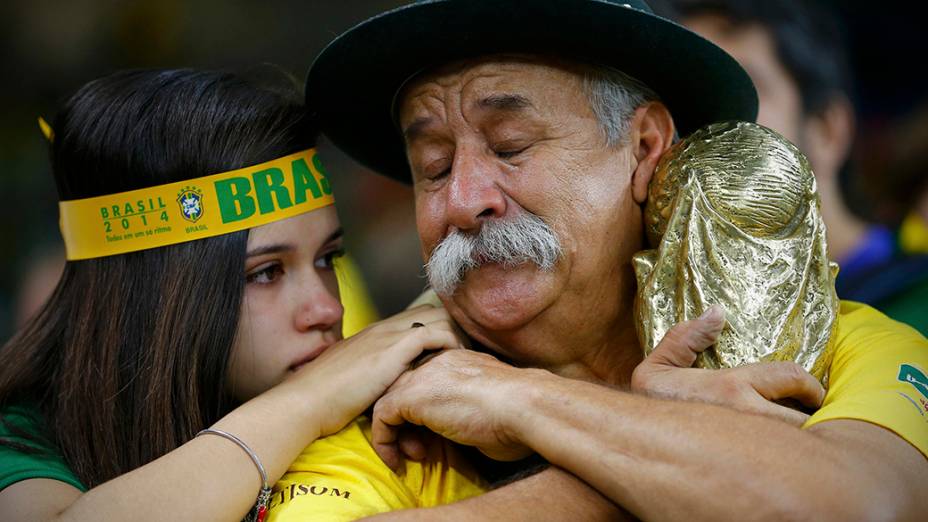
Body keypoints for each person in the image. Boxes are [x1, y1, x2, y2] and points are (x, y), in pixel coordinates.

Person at [302, 0, 928, 519]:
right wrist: (692, 450)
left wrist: (519, 400)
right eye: (433, 168)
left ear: (646, 147)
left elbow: (861, 507)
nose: (463, 201)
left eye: (511, 146)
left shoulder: (852, 344)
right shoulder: (388, 412)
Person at [0, 68, 483, 522]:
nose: (327, 308)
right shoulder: (19, 438)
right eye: (266, 272)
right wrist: (311, 398)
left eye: (326, 259)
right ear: (153, 298)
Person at [672, 0, 928, 335]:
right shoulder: (674, 308)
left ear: (826, 131)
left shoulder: (915, 303)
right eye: (683, 97)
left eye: (742, 89)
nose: (705, 125)